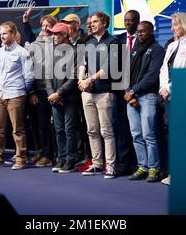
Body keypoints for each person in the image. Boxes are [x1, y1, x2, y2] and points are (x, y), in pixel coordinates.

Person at [0, 22, 34, 170]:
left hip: (16, 95)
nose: (2, 36)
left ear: (13, 33)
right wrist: (0, 88)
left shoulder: (22, 52)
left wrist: (20, 90)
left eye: (5, 33)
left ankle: (21, 159)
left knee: (18, 129)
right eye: (1, 34)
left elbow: (29, 77)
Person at [159, 12, 186, 185]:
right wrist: (164, 87)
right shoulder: (171, 46)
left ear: (184, 25)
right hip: (167, 97)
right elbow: (163, 70)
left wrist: (171, 88)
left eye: (176, 25)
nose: (173, 28)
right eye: (172, 25)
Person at [78, 11, 120, 179]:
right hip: (87, 93)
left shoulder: (114, 41)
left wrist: (90, 79)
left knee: (106, 131)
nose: (92, 24)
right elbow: (82, 63)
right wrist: (81, 79)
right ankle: (96, 164)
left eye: (95, 21)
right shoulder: (87, 42)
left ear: (104, 23)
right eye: (91, 22)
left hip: (105, 93)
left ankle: (110, 167)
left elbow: (110, 67)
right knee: (92, 131)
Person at [124, 21, 165, 182]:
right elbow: (126, 72)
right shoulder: (135, 49)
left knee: (149, 134)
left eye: (143, 31)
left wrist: (133, 91)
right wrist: (129, 92)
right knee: (136, 135)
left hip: (148, 96)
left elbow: (152, 76)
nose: (139, 34)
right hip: (132, 98)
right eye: (138, 32)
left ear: (151, 31)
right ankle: (143, 166)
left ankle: (154, 168)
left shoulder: (157, 50)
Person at [60, 14, 92, 171]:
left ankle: (90, 157)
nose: (67, 26)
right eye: (65, 23)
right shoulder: (65, 41)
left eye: (70, 23)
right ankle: (79, 155)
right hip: (70, 91)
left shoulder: (86, 40)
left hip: (85, 87)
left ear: (77, 24)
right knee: (75, 126)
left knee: (88, 125)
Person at [45, 23, 79, 173]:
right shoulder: (51, 52)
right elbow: (46, 76)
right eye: (53, 34)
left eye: (57, 34)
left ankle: (70, 161)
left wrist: (58, 93)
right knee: (59, 130)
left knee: (69, 130)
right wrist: (52, 94)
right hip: (54, 98)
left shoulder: (76, 52)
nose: (54, 37)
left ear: (65, 35)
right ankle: (61, 158)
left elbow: (74, 77)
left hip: (69, 98)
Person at [114, 10, 141, 176]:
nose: (128, 23)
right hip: (120, 91)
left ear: (137, 21)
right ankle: (124, 163)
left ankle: (138, 164)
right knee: (122, 129)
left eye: (131, 20)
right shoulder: (119, 40)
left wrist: (132, 90)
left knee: (138, 130)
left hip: (137, 91)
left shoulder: (144, 40)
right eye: (125, 20)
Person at [28, 15, 58, 167]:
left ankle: (59, 155)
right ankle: (46, 154)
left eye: (49, 25)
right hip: (39, 90)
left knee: (59, 126)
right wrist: (32, 91)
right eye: (43, 25)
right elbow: (29, 69)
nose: (45, 28)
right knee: (42, 125)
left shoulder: (59, 43)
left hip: (56, 90)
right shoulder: (34, 45)